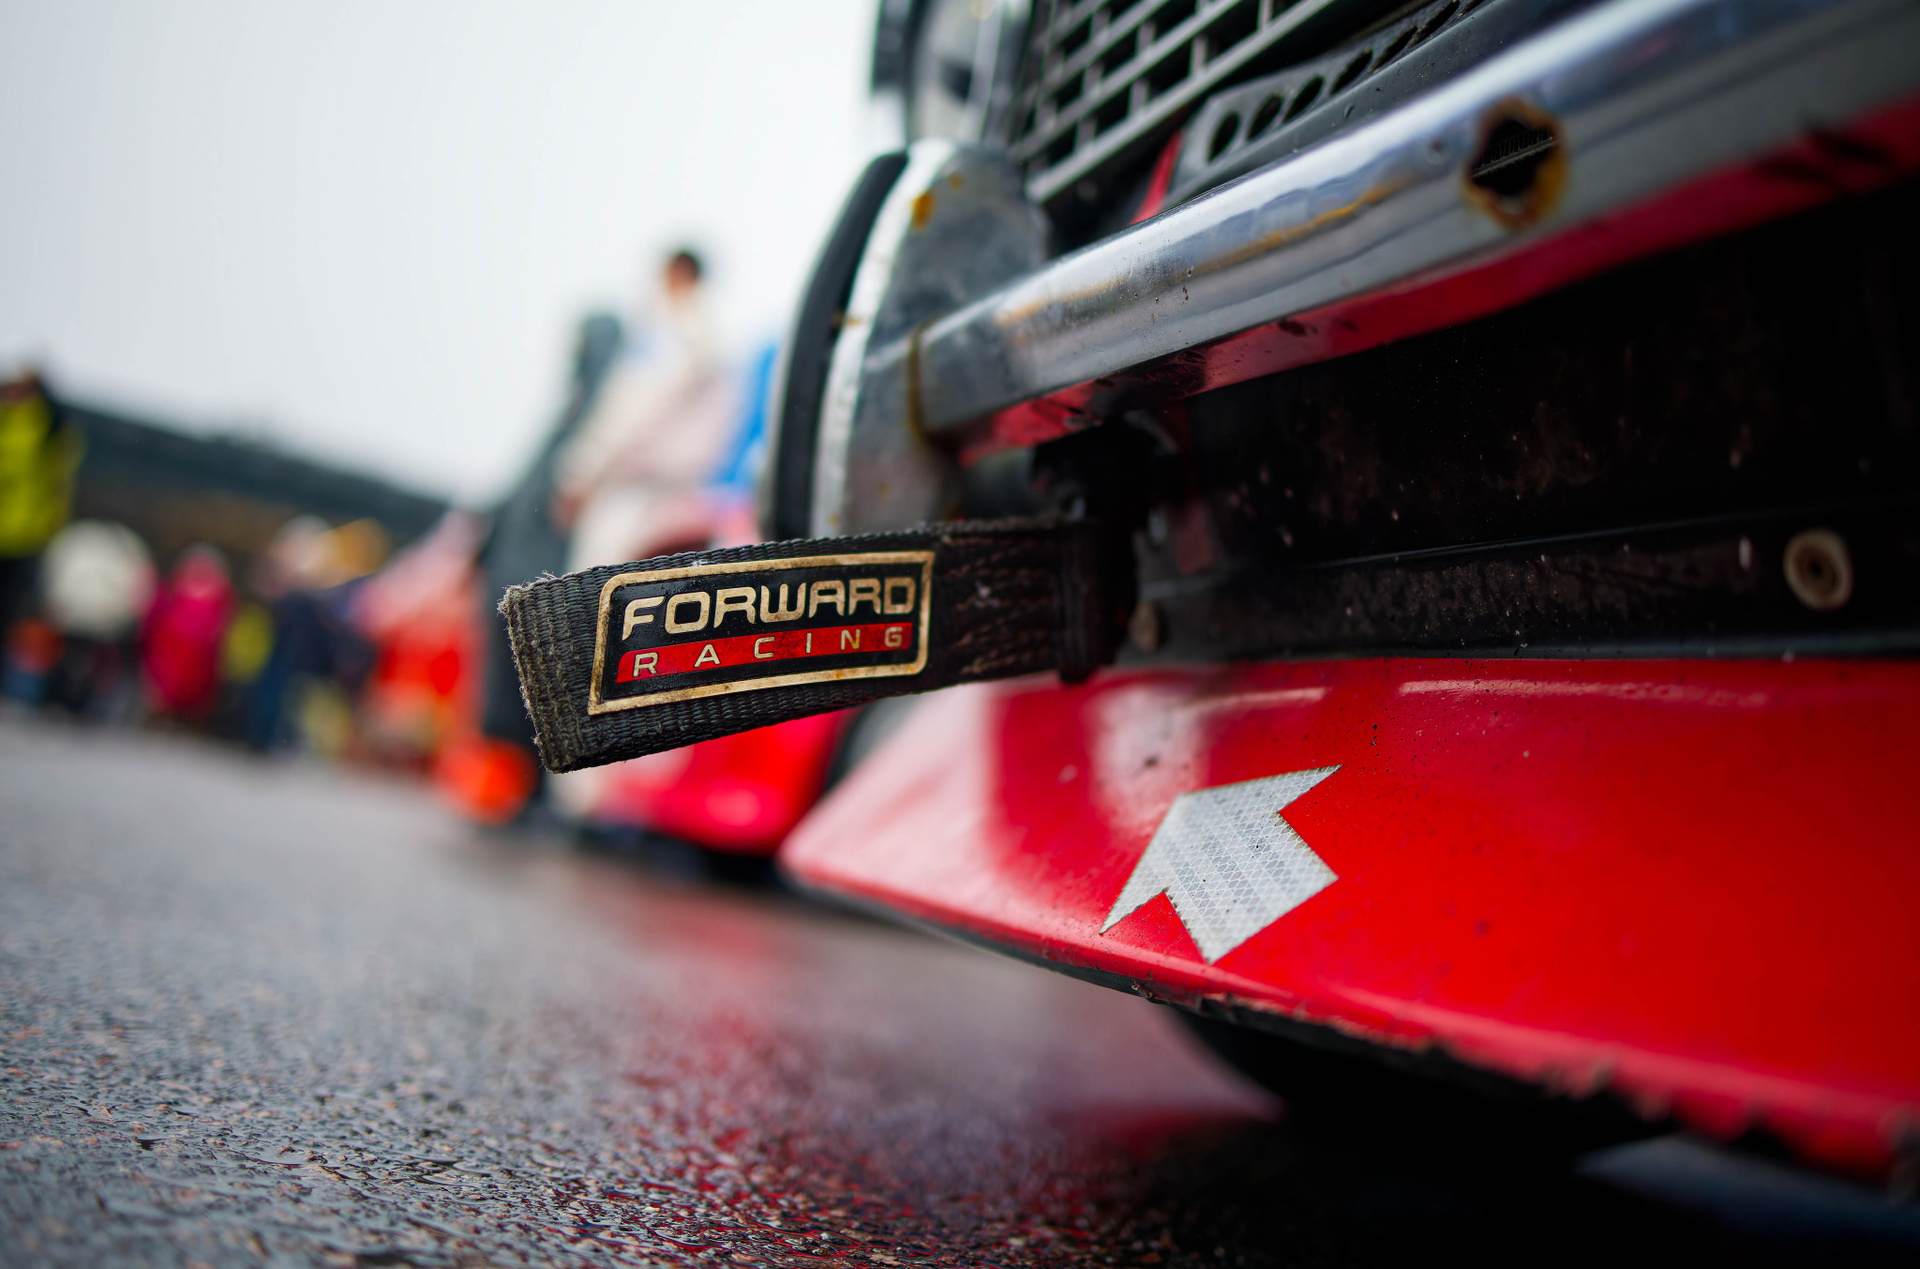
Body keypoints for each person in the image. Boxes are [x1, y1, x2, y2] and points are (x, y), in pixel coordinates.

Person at [551, 249, 739, 572]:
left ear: (675, 274)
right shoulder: (711, 339)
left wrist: (580, 474)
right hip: (686, 494)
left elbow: (630, 413)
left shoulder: (667, 335)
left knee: (594, 587)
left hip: (638, 490)